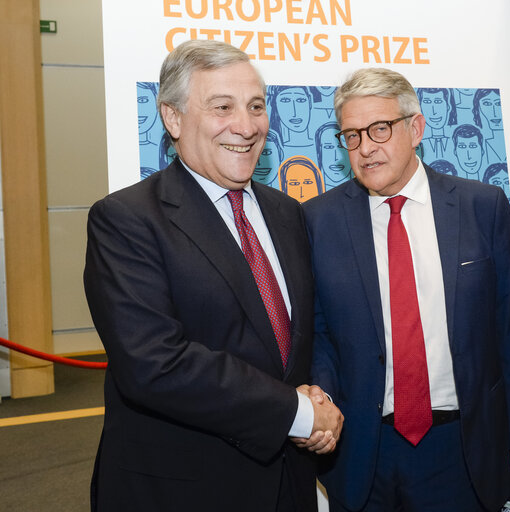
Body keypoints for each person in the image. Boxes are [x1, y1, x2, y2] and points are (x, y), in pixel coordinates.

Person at [84, 40, 342, 512]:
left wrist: (318, 396)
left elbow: (310, 329)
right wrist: (297, 412)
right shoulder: (126, 219)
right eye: (222, 107)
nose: (245, 127)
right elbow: (154, 364)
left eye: (256, 107)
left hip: (290, 480)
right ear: (173, 118)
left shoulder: (287, 213)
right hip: (184, 487)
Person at [303, 67, 510, 512]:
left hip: (464, 447)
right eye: (351, 135)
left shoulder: (481, 206)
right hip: (362, 452)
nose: (365, 148)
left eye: (379, 129)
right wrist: (324, 402)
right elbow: (319, 334)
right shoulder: (318, 220)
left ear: (415, 128)